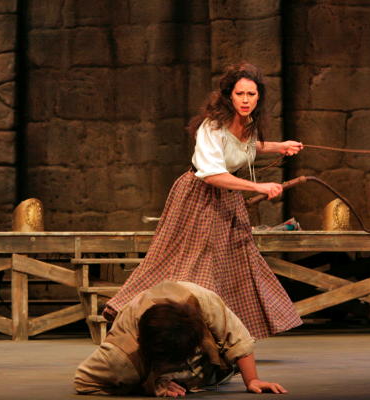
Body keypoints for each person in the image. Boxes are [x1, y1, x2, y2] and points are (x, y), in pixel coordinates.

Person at [103, 62, 303, 339]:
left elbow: (240, 148)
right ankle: (142, 321)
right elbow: (212, 174)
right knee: (189, 264)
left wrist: (277, 146)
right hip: (199, 197)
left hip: (227, 198)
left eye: (251, 95)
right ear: (229, 95)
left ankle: (225, 334)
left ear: (259, 97)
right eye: (240, 94)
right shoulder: (213, 126)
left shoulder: (248, 123)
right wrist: (257, 185)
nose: (245, 100)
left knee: (236, 263)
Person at [75, 281, 287, 396]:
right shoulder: (121, 355)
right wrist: (146, 386)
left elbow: (237, 336)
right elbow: (83, 381)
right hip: (153, 368)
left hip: (208, 366)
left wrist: (252, 380)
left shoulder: (200, 300)